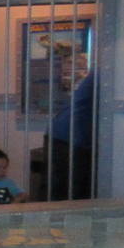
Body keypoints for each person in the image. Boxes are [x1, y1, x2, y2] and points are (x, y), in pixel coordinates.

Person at [45, 62, 95, 201]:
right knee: (72, 194)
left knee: (62, 193)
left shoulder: (100, 72)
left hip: (63, 133)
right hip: (71, 138)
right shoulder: (111, 73)